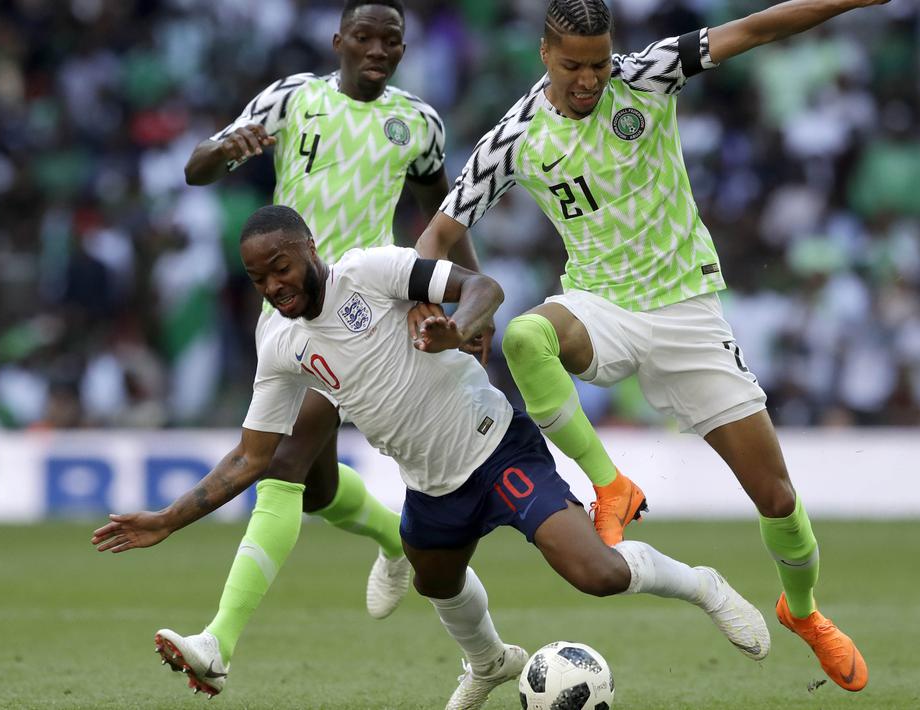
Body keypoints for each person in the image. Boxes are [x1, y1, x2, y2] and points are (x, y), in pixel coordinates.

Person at [92, 205, 770, 709]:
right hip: (430, 486)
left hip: (495, 447)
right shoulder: (280, 345)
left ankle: (700, 584)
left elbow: (484, 288)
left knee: (592, 572)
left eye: (281, 267)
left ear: (309, 249)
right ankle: (488, 663)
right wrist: (168, 519)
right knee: (435, 583)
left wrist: (459, 327)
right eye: (257, 277)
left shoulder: (370, 271)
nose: (273, 285)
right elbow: (251, 458)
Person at [413, 0, 888, 693]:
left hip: (686, 313)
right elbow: (438, 234)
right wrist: (428, 299)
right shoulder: (513, 137)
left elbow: (755, 28)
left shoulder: (647, 74)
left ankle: (803, 611)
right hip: (599, 305)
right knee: (525, 335)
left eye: (598, 63)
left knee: (777, 498)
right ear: (544, 54)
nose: (588, 79)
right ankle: (609, 483)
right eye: (573, 65)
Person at [182, 0, 485, 676]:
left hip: (361, 314)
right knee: (316, 490)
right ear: (338, 40)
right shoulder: (292, 99)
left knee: (281, 467)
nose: (378, 49)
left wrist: (464, 290)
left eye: (392, 40)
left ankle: (217, 643)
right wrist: (220, 150)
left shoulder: (420, 123)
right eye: (364, 37)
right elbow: (196, 169)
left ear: (404, 48)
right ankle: (395, 539)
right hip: (285, 309)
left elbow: (441, 214)